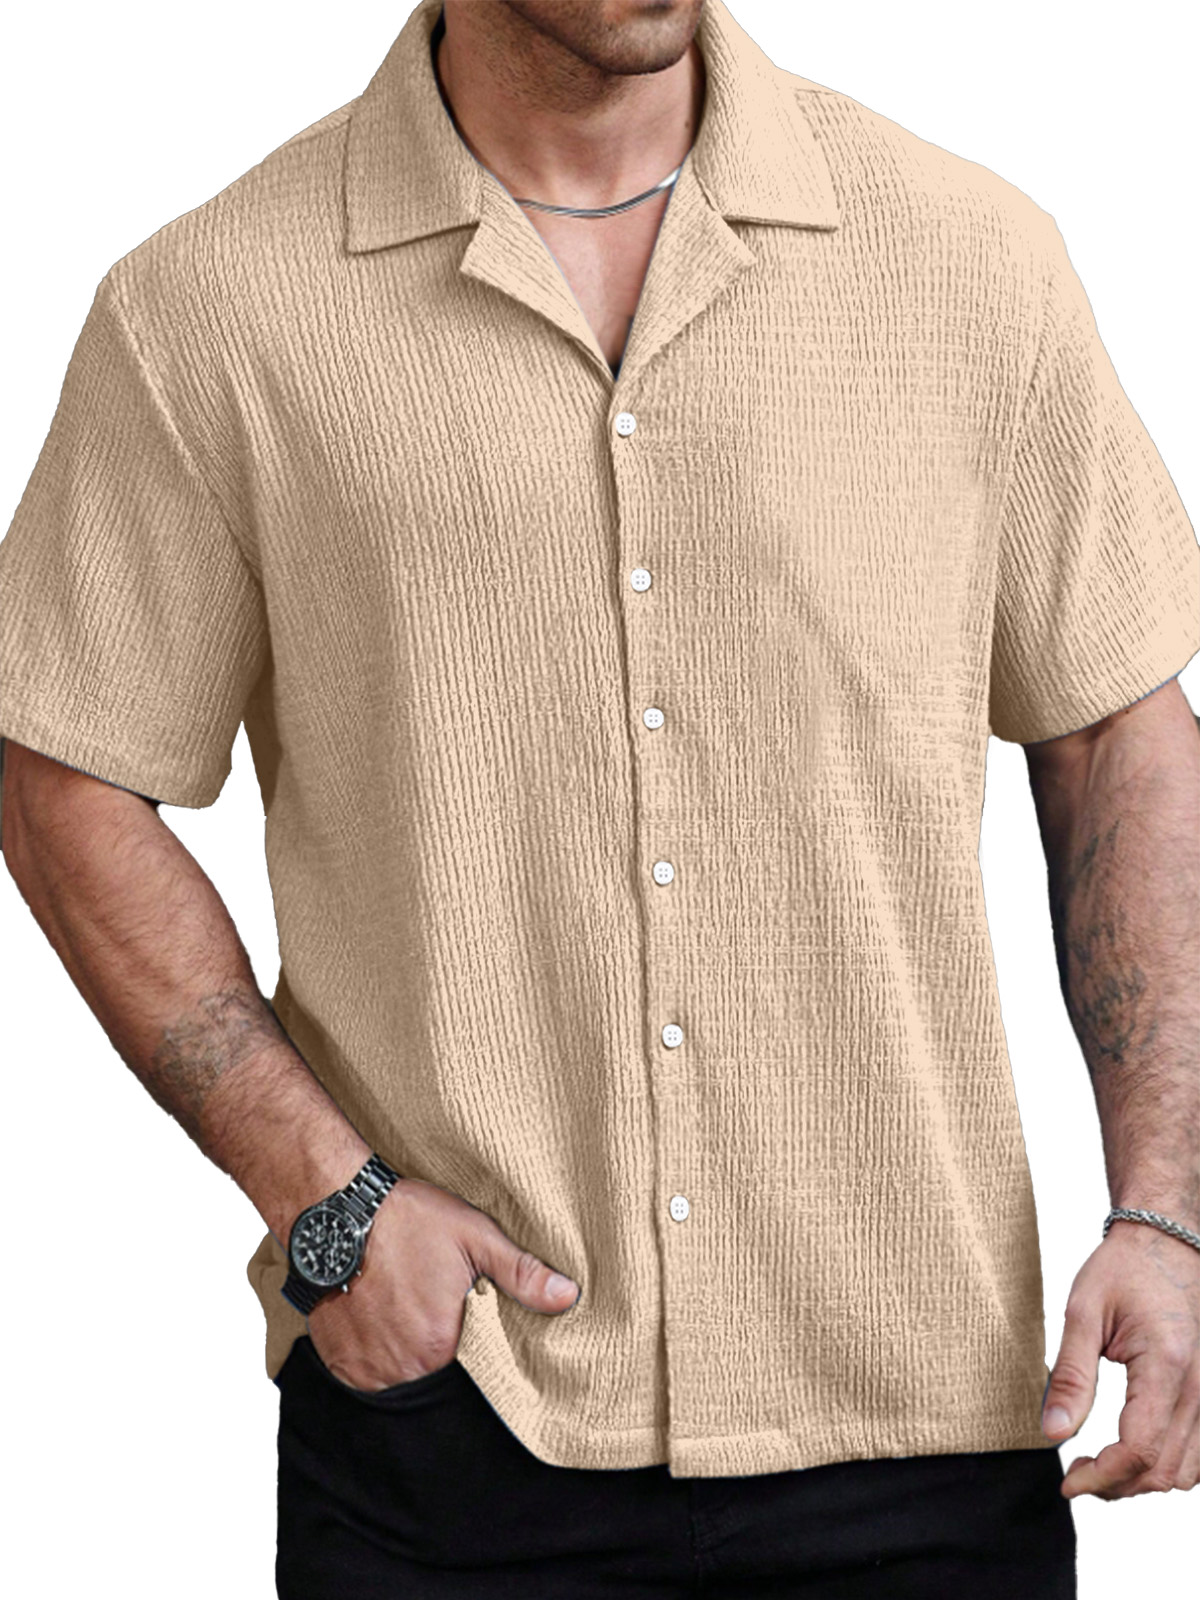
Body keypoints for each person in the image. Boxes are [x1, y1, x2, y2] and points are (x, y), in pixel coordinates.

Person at [1, 0, 1197, 1595]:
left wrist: (1167, 1213)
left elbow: (1116, 729)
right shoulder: (211, 309)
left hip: (925, 1420)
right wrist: (325, 1200)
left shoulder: (970, 260)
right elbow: (65, 767)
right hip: (457, 1425)